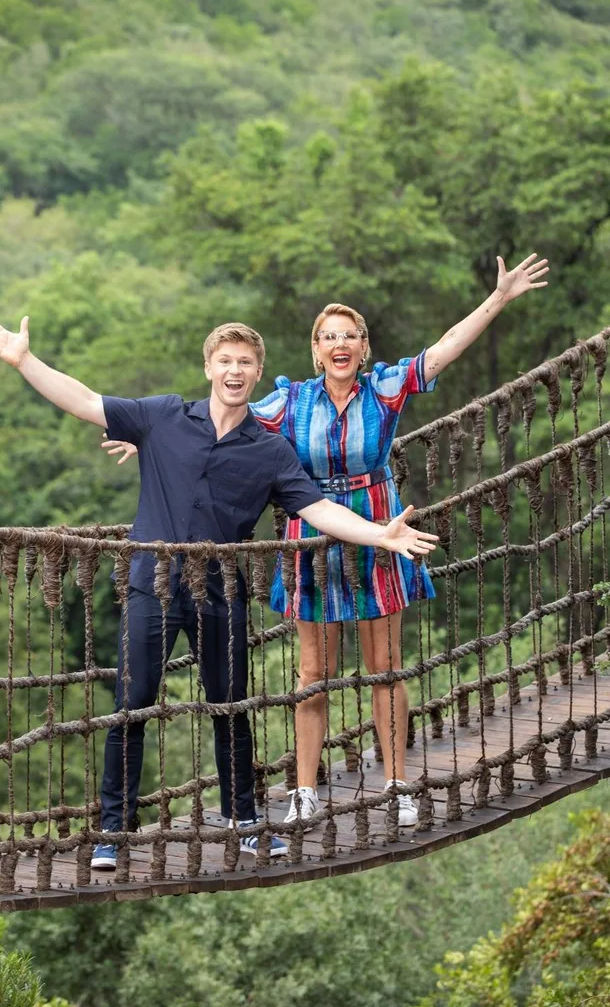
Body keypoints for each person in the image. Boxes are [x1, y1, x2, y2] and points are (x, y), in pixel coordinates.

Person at [105, 252, 549, 829]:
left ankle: (395, 783)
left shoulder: (386, 388)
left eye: (351, 335)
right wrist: (153, 440)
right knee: (312, 668)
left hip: (377, 528)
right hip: (311, 533)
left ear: (363, 348)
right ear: (316, 351)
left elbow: (441, 351)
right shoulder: (289, 401)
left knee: (385, 664)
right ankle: (305, 790)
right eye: (329, 336)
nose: (340, 344)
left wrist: (498, 299)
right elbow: (216, 416)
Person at [0, 316, 438, 866]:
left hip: (221, 590)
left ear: (259, 373)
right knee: (131, 704)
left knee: (230, 704)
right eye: (225, 361)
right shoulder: (165, 416)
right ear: (208, 367)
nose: (234, 371)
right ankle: (113, 833)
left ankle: (243, 821)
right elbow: (85, 400)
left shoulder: (269, 451)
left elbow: (319, 509)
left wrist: (379, 534)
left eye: (245, 363)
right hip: (152, 584)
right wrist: (26, 361)